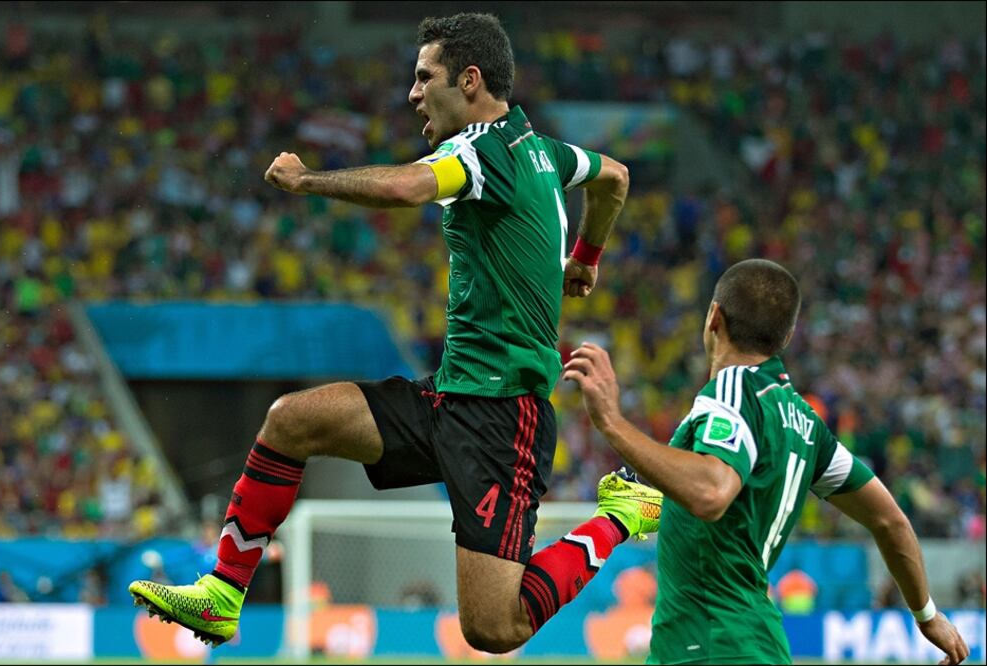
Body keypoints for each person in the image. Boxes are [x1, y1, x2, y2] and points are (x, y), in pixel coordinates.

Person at [129, 12, 662, 652]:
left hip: (502, 417)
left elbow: (409, 187)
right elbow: (614, 176)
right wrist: (586, 258)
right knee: (291, 420)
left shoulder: (481, 150)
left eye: (424, 77)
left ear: (469, 80)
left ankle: (620, 516)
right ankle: (222, 593)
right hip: (449, 397)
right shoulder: (545, 151)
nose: (412, 94)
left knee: (493, 628)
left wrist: (306, 180)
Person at [563, 258, 971, 665]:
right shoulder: (806, 424)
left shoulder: (733, 387)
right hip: (752, 645)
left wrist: (612, 422)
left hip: (712, 645)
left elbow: (711, 492)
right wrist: (927, 615)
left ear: (714, 316)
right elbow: (891, 521)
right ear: (787, 336)